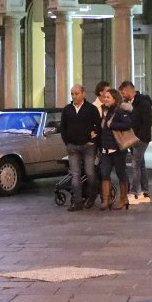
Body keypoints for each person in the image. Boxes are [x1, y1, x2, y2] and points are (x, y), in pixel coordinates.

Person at [60, 83, 101, 212]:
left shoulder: (91, 109)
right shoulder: (67, 109)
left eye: (77, 94)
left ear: (83, 94)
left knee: (89, 172)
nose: (74, 96)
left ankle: (93, 194)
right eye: (72, 94)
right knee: (75, 174)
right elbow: (63, 127)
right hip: (73, 146)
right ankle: (77, 202)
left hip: (88, 146)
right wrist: (67, 142)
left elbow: (98, 126)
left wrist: (93, 139)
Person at [96, 83, 135, 211]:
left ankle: (123, 199)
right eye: (105, 97)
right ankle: (105, 200)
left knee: (121, 173)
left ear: (115, 99)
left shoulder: (120, 111)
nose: (105, 99)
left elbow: (128, 124)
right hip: (106, 149)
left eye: (108, 97)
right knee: (105, 174)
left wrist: (112, 125)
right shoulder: (105, 111)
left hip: (117, 149)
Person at [119, 80, 152, 204]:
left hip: (141, 139)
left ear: (129, 90)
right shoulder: (128, 104)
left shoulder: (143, 103)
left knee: (135, 165)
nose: (123, 96)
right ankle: (145, 192)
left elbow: (147, 122)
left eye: (123, 93)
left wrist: (139, 138)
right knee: (141, 165)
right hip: (133, 139)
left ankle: (133, 193)